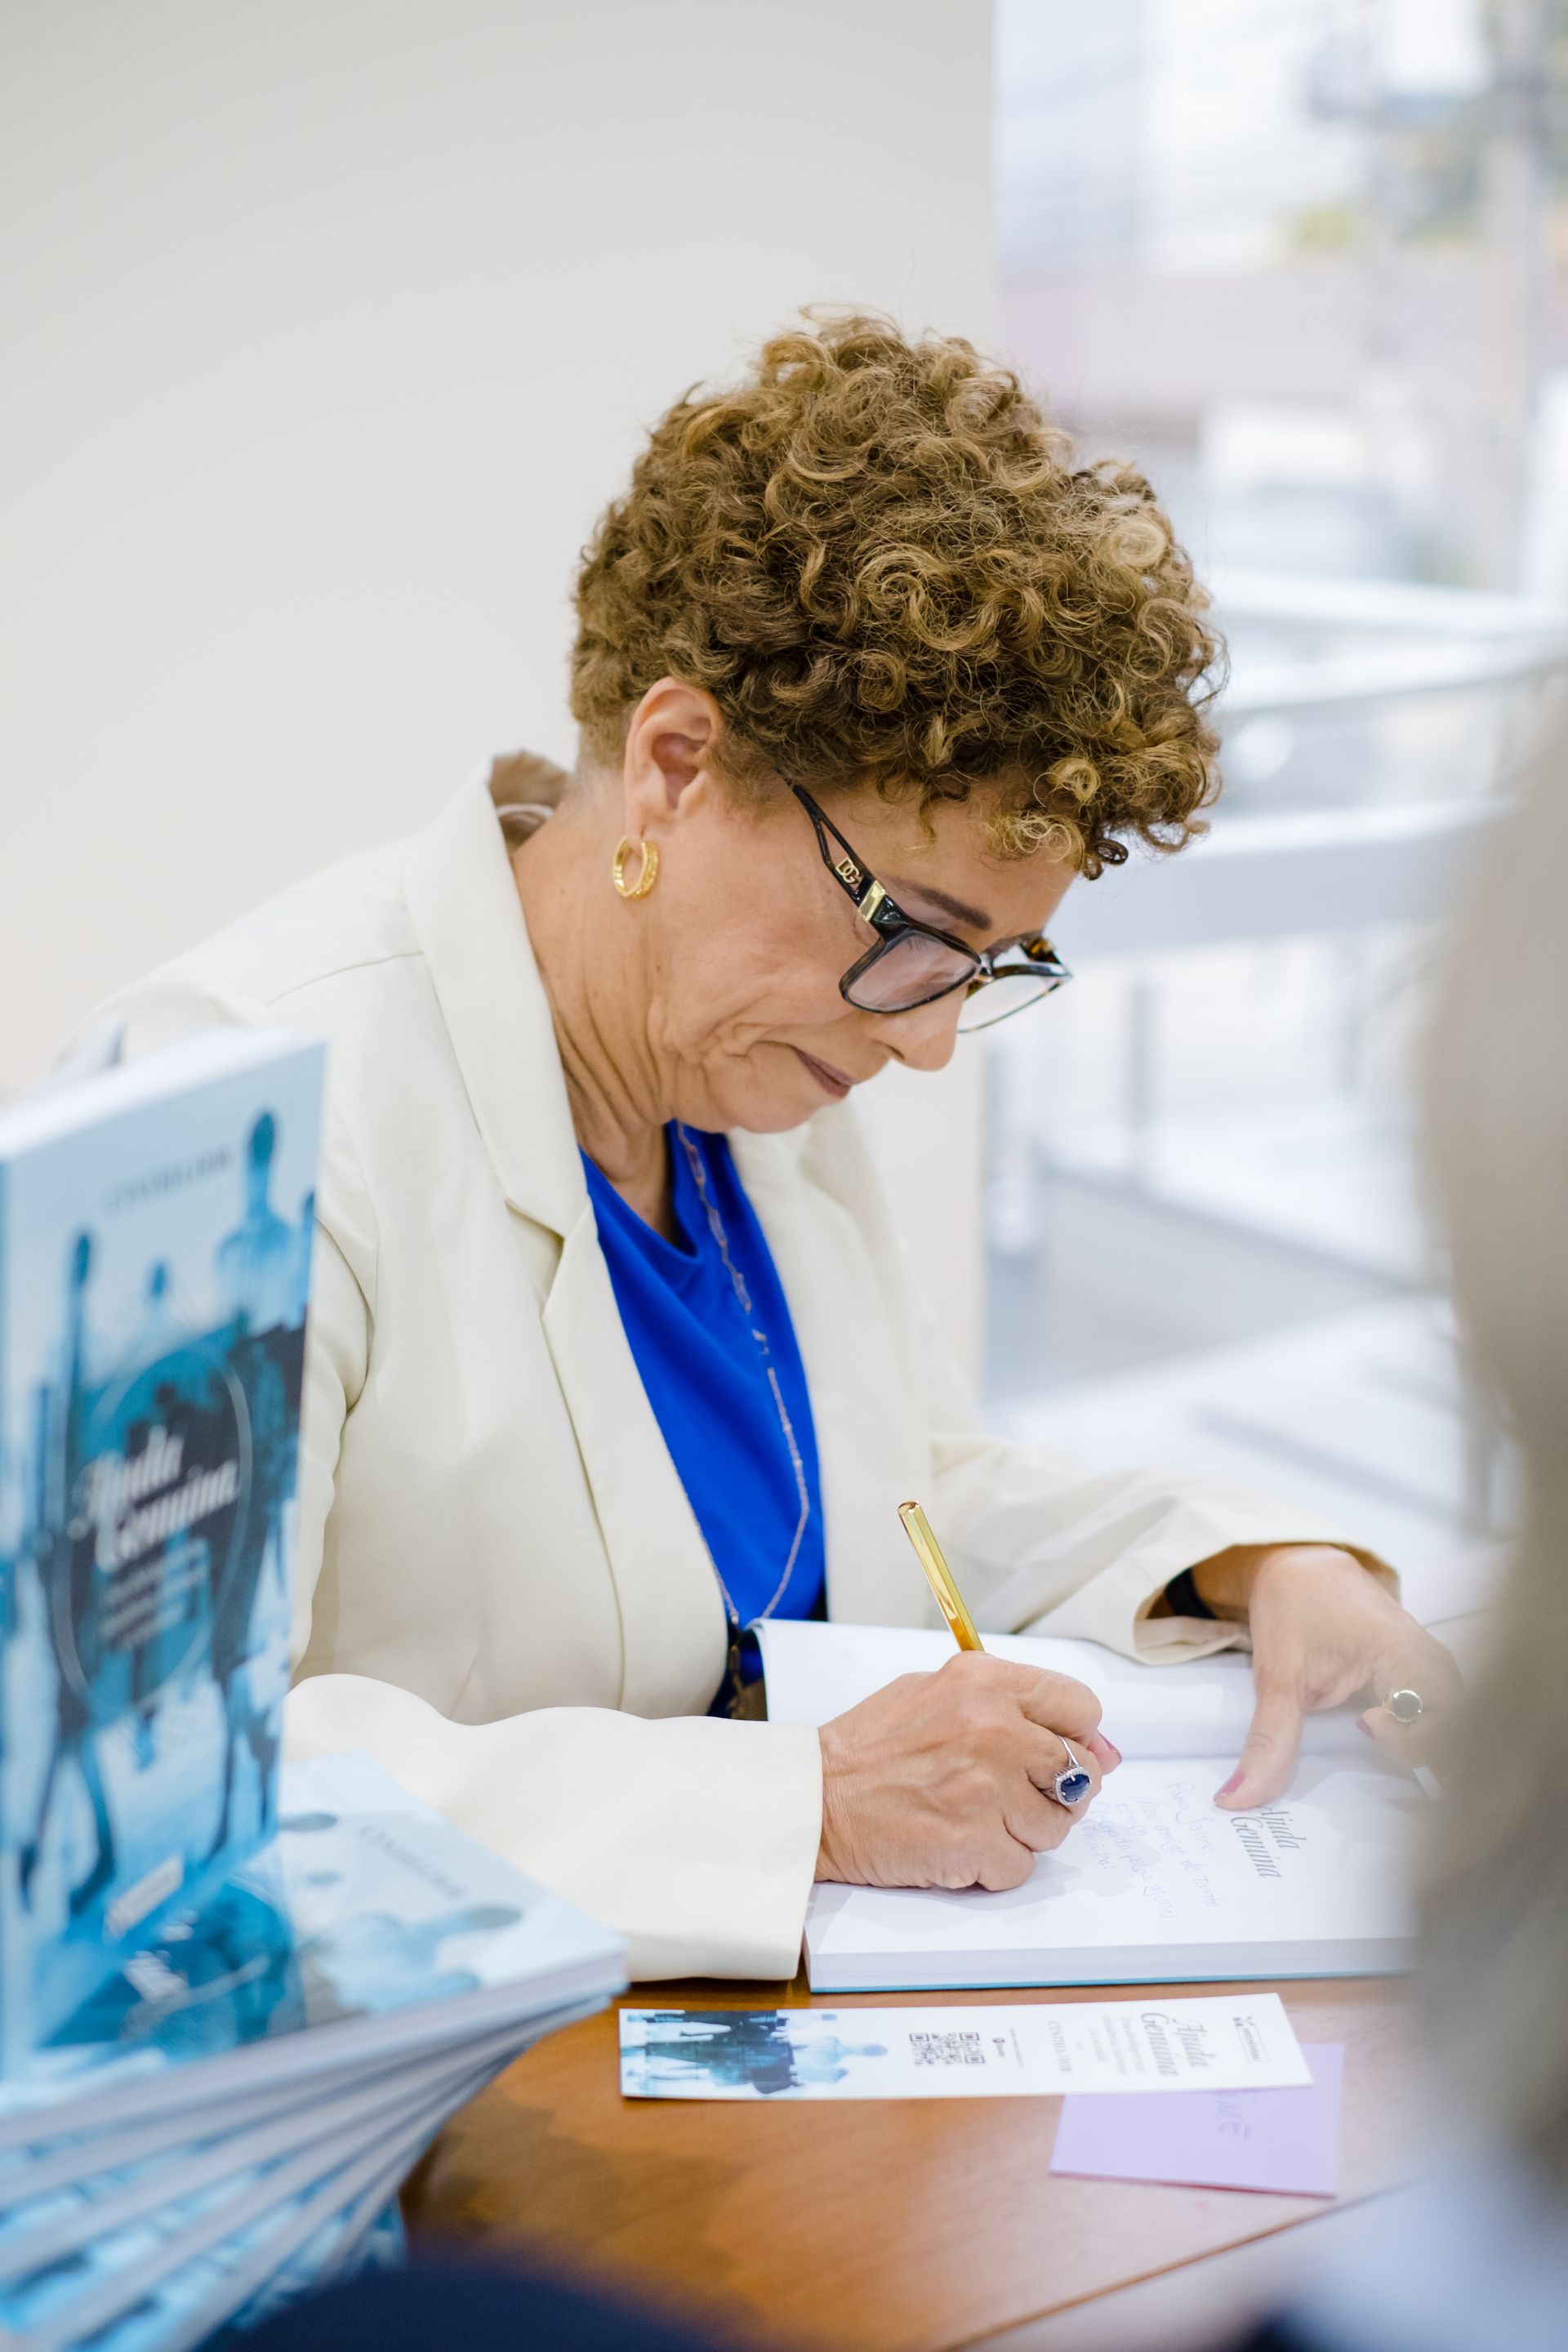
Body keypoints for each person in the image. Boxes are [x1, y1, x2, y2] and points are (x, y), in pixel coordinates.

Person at [83, 315, 1457, 1980]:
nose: (933, 1036)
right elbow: (151, 1802)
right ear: (677, 765)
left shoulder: (744, 1079)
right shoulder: (249, 1106)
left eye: (989, 967)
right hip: (421, 2119)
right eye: (917, 934)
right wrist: (797, 1802)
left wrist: (1256, 1563)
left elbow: (907, 1495)